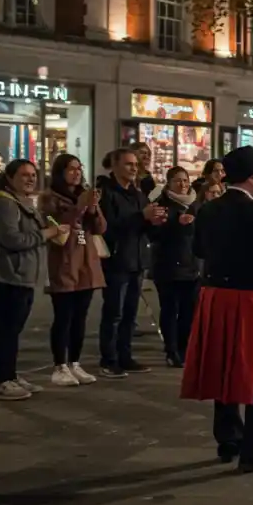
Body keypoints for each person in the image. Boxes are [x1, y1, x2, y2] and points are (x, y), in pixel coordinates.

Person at [181, 146, 253, 472]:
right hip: (248, 298)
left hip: (216, 295)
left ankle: (229, 438)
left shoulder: (210, 208)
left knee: (224, 367)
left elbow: (199, 248)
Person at [0, 160, 70, 400]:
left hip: (23, 276)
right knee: (6, 330)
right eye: (24, 175)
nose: (31, 179)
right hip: (7, 276)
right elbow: (12, 239)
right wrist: (48, 232)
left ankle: (10, 375)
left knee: (13, 330)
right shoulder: (4, 203)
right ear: (10, 177)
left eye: (33, 175)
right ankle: (1, 380)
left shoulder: (22, 202)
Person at [39, 154, 106, 387]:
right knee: (64, 316)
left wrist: (94, 208)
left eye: (79, 168)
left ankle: (75, 362)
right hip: (64, 262)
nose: (76, 173)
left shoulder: (84, 195)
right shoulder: (48, 198)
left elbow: (100, 228)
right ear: (60, 171)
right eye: (71, 169)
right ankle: (60, 366)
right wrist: (80, 207)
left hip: (87, 263)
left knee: (80, 317)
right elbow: (55, 225)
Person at [99, 148, 167, 378]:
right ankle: (108, 359)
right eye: (128, 164)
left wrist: (154, 222)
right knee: (114, 312)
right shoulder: (107, 194)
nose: (133, 168)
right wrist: (142, 217)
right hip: (117, 259)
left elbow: (142, 228)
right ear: (115, 166)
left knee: (130, 313)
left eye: (135, 164)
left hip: (137, 260)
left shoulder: (137, 194)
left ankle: (125, 356)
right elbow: (108, 228)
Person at [150, 167, 201, 368]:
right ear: (169, 183)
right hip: (168, 265)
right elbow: (153, 234)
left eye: (186, 181)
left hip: (192, 265)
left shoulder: (195, 204)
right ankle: (171, 350)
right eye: (178, 181)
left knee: (189, 311)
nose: (183, 185)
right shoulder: (161, 204)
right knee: (170, 309)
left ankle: (184, 348)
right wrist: (175, 222)